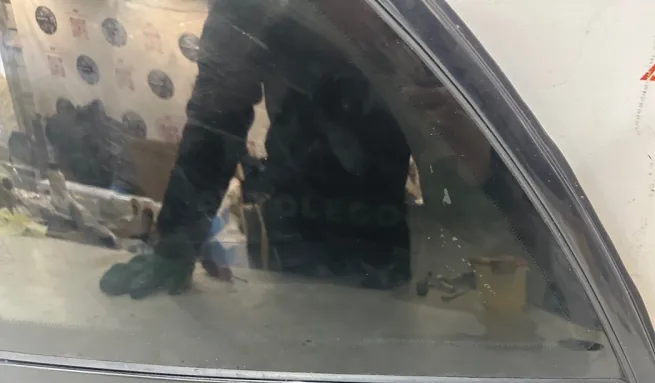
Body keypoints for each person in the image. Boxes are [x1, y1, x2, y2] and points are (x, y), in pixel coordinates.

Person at [100, 0, 417, 299]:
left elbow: (441, 123)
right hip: (300, 225)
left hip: (377, 229)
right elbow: (217, 120)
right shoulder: (252, 8)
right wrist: (176, 241)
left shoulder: (409, 12)